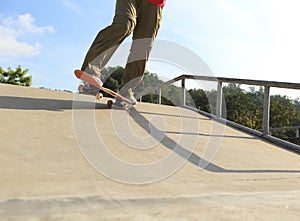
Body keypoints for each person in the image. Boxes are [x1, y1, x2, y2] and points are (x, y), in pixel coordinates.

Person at [80, 0, 166, 105]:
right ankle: (91, 69)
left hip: (155, 4)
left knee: (143, 44)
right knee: (124, 25)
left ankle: (126, 90)